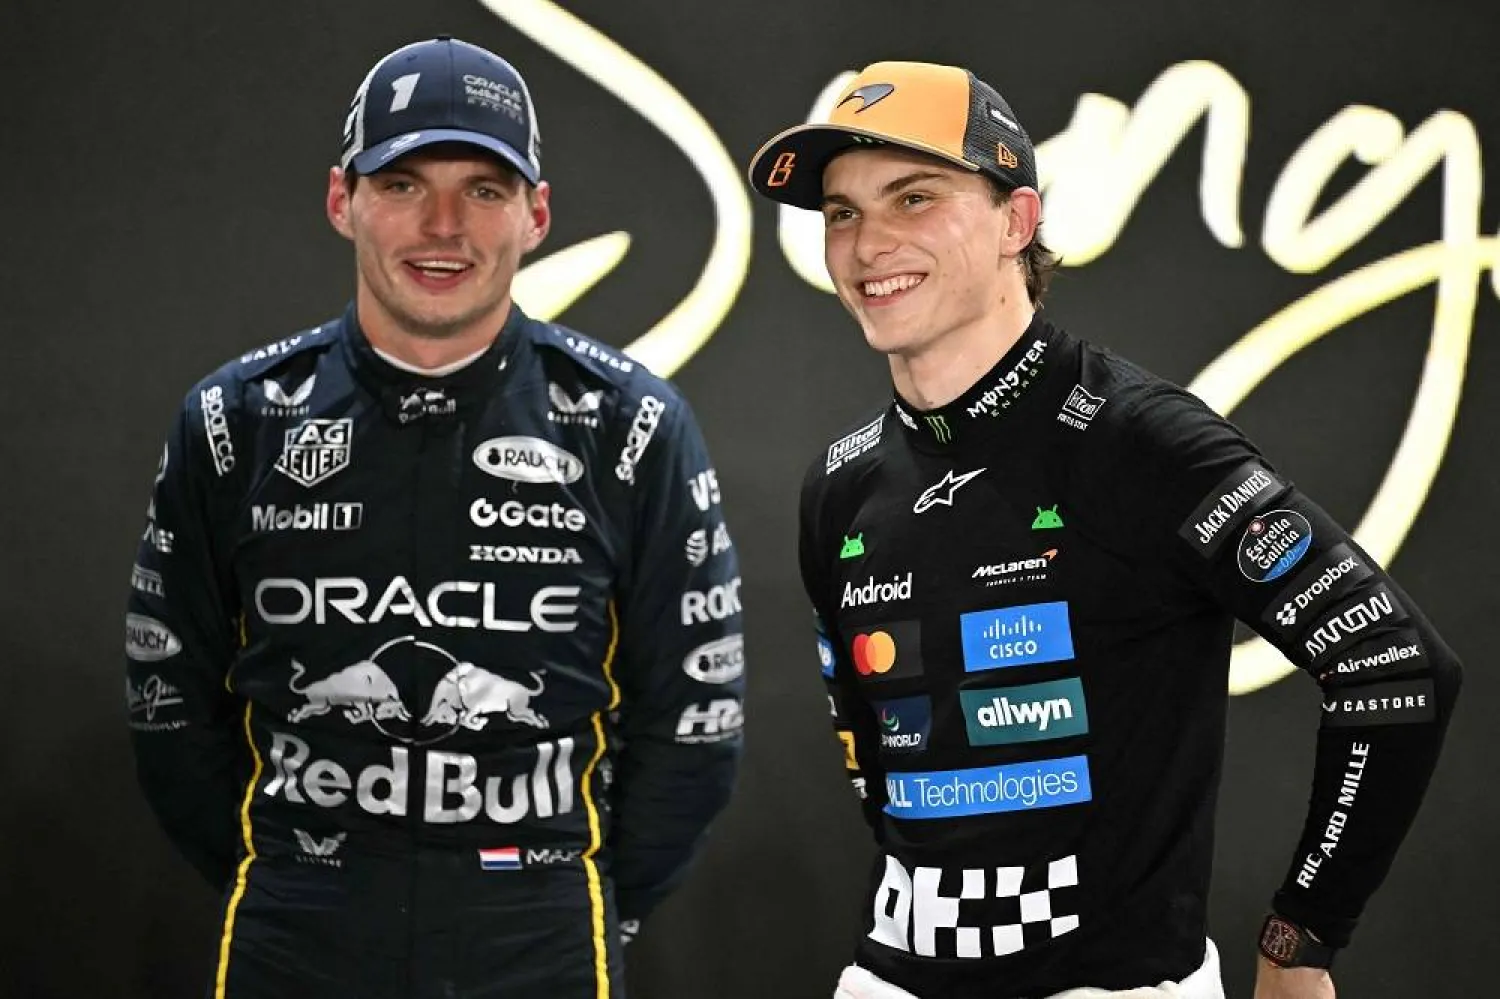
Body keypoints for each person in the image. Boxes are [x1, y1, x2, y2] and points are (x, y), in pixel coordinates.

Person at [747, 61, 1460, 999]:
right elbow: (872, 754)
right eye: (841, 213)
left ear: (1017, 221)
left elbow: (1393, 665)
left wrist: (1302, 942)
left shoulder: (1143, 440)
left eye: (914, 198)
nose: (868, 243)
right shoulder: (841, 485)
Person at [125, 35, 744, 999]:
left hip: (535, 937)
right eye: (404, 183)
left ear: (536, 215)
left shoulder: (631, 427)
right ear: (343, 200)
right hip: (298, 931)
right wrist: (301, 870)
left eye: (485, 189)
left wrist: (576, 894)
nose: (443, 225)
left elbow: (694, 726)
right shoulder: (235, 419)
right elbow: (170, 707)